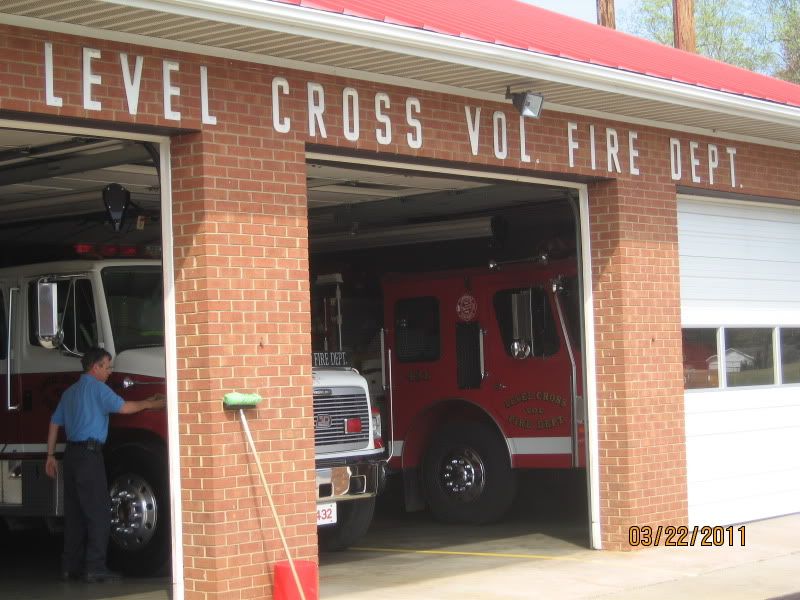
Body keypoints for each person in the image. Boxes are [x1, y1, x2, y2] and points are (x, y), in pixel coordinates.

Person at [44, 347, 166, 583]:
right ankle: (95, 568)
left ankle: (70, 567)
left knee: (75, 515)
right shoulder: (99, 389)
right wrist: (149, 404)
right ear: (95, 367)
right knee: (99, 513)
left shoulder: (69, 392)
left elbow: (54, 423)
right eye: (107, 366)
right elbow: (124, 407)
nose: (110, 371)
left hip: (70, 456)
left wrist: (50, 455)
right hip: (89, 456)